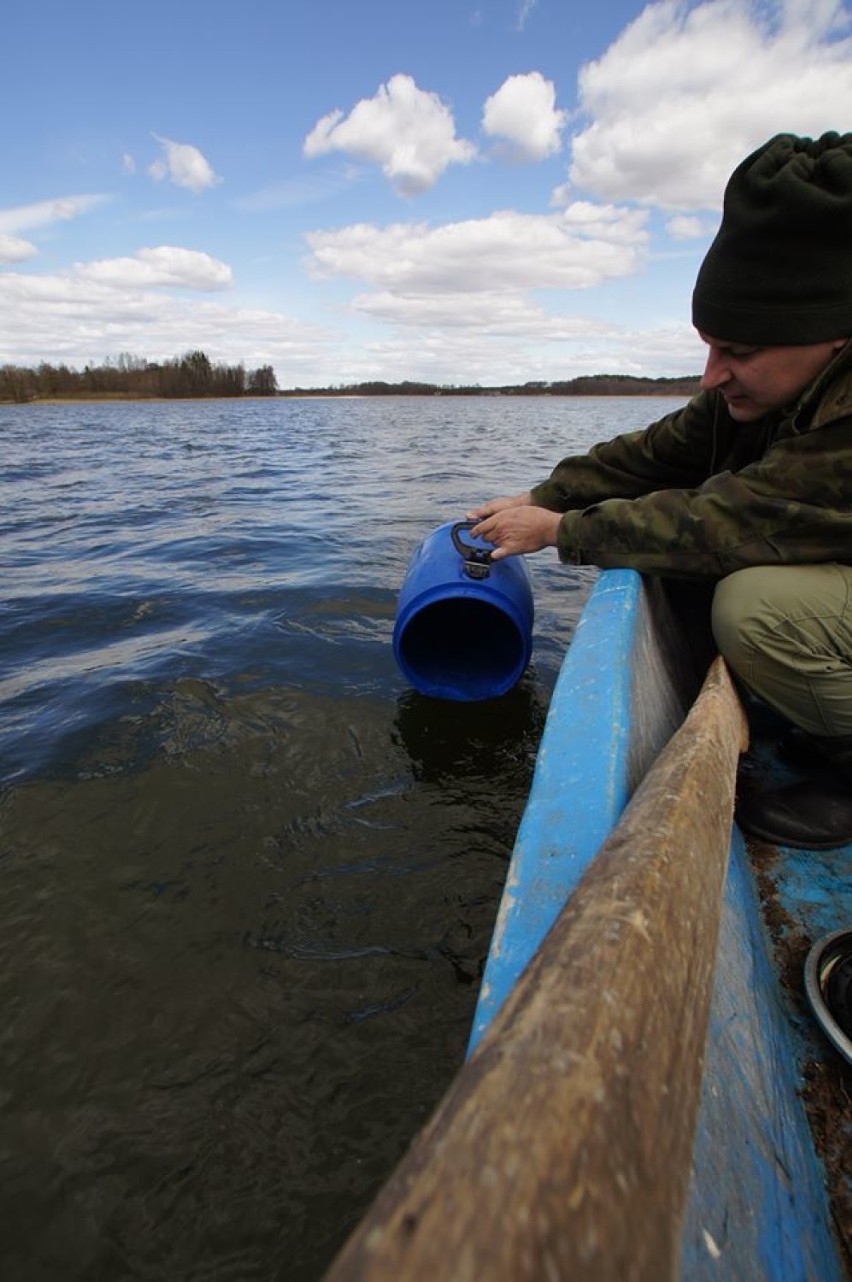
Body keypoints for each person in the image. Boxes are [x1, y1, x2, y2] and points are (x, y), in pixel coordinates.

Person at [469, 131, 852, 851]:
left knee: (755, 610)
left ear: (832, 334)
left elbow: (724, 524)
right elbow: (652, 455)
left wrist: (560, 532)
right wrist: (537, 496)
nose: (711, 374)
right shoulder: (763, 395)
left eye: (737, 352)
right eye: (709, 344)